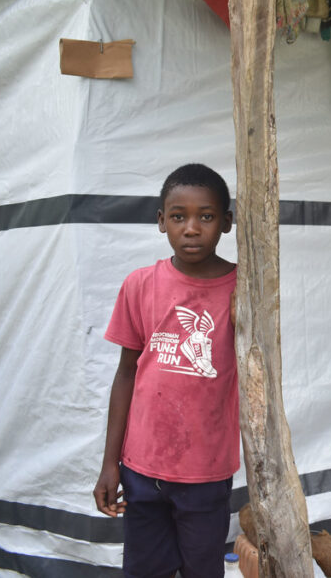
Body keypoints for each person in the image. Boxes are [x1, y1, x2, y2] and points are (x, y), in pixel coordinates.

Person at [94, 163, 239, 578]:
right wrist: (110, 463)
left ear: (226, 223)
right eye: (179, 216)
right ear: (162, 222)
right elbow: (126, 374)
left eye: (206, 216)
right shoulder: (140, 285)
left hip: (206, 471)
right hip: (141, 469)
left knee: (202, 570)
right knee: (144, 571)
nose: (192, 228)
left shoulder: (244, 290)